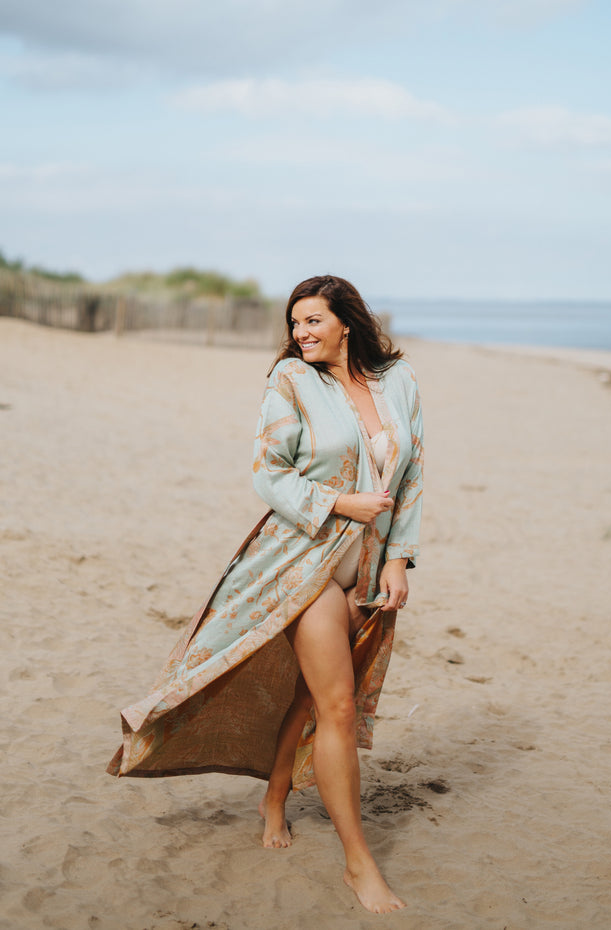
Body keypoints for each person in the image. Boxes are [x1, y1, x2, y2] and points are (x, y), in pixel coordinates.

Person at [108, 275, 423, 914]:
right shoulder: (289, 382)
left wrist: (399, 558)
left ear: (347, 323)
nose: (301, 334)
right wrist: (340, 500)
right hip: (299, 561)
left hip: (363, 568)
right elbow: (267, 472)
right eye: (296, 323)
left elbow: (413, 472)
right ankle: (359, 863)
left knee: (311, 695)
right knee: (335, 705)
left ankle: (275, 796)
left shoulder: (399, 382)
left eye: (314, 322)